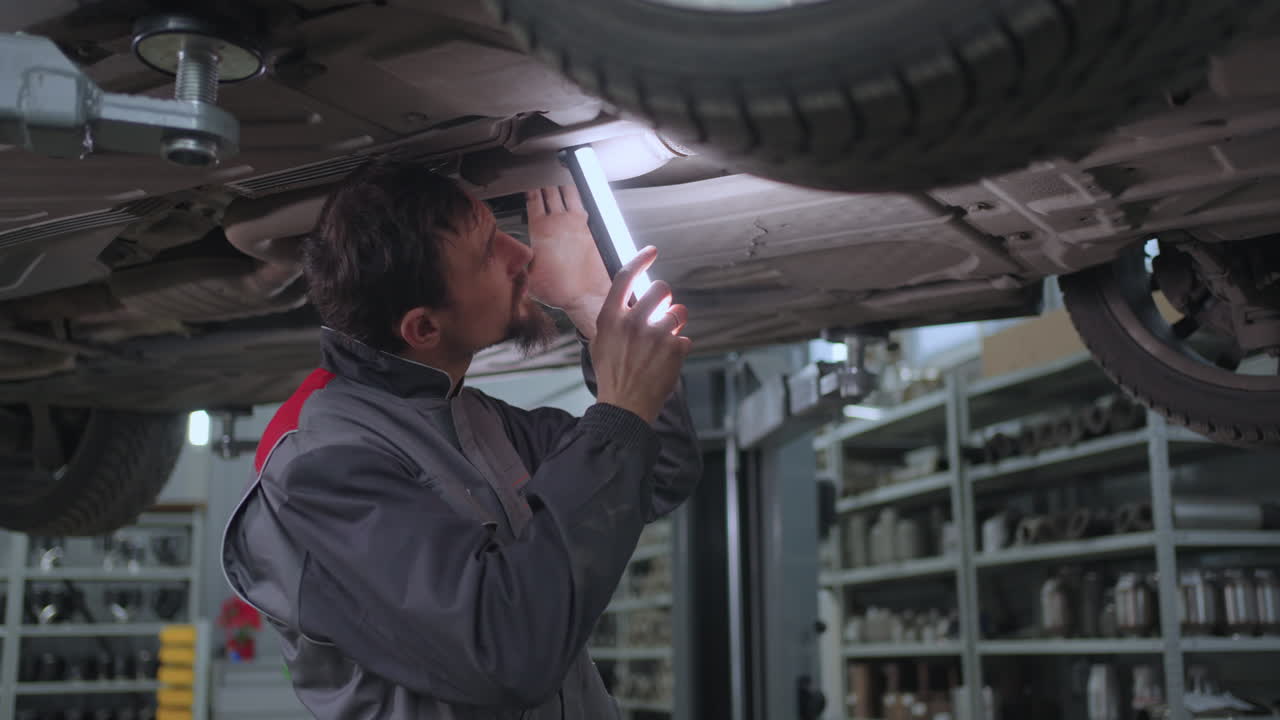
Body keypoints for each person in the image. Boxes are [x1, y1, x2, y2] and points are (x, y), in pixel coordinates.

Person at [221, 158, 702, 719]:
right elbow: (508, 650)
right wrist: (617, 414)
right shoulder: (321, 472)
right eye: (488, 254)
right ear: (423, 328)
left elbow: (658, 471)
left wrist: (593, 305)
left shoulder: (469, 420)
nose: (523, 255)